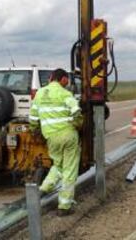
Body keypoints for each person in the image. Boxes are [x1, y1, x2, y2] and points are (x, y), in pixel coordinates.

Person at [29, 68, 82, 216]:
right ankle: (64, 206)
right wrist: (78, 123)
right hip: (68, 135)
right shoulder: (65, 94)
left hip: (51, 136)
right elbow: (76, 111)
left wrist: (34, 129)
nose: (67, 83)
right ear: (63, 79)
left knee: (57, 164)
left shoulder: (39, 93)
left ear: (51, 77)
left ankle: (44, 189)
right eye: (67, 80)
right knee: (69, 170)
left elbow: (33, 117)